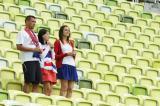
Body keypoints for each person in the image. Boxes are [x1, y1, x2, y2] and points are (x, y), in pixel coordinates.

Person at [16, 15, 42, 93]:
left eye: (35, 22)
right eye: (32, 21)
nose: (34, 23)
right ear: (26, 22)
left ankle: (33, 101)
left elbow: (36, 46)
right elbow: (19, 47)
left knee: (37, 82)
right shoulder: (22, 33)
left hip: (36, 60)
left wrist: (39, 50)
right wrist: (34, 49)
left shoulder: (35, 34)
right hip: (27, 60)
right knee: (28, 81)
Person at [54, 25, 78, 98]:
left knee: (70, 89)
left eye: (68, 30)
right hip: (63, 65)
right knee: (64, 88)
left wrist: (74, 54)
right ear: (61, 32)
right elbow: (55, 56)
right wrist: (67, 54)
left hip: (72, 65)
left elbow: (72, 55)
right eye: (65, 30)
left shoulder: (71, 42)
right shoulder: (58, 42)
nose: (68, 31)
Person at [38, 29, 57, 96]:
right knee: (47, 87)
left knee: (50, 89)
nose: (49, 36)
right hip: (43, 66)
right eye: (47, 34)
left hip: (51, 66)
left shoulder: (49, 45)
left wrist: (52, 49)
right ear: (42, 35)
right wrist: (49, 47)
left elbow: (53, 57)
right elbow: (42, 55)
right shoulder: (39, 44)